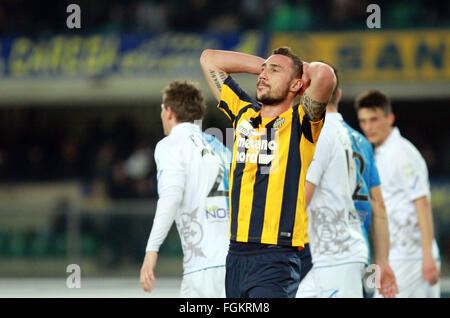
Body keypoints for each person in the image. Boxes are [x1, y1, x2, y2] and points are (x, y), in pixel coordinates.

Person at [200, 47, 336, 298]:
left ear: (297, 84)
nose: (263, 75)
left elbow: (324, 74)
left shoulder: (301, 122)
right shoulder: (244, 113)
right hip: (236, 255)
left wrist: (295, 69)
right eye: (263, 70)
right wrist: (268, 67)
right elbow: (209, 59)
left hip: (276, 256)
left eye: (274, 70)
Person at [296, 65, 397, 298]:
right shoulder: (361, 141)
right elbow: (379, 205)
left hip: (326, 248)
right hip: (355, 245)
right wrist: (382, 260)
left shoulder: (313, 136)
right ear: (338, 94)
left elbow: (301, 198)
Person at [139, 81, 231, 298]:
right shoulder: (221, 148)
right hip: (236, 262)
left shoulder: (170, 145)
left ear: (169, 111)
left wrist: (151, 250)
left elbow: (170, 197)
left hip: (203, 267)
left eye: (162, 109)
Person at [355, 89, 441, 298]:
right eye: (363, 121)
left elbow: (423, 204)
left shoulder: (403, 153)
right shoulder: (378, 154)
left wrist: (427, 256)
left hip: (411, 258)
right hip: (391, 257)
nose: (368, 127)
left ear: (390, 118)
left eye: (374, 119)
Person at [295, 70, 368, 298]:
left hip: (338, 254)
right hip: (331, 252)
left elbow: (303, 198)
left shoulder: (322, 132)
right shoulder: (344, 132)